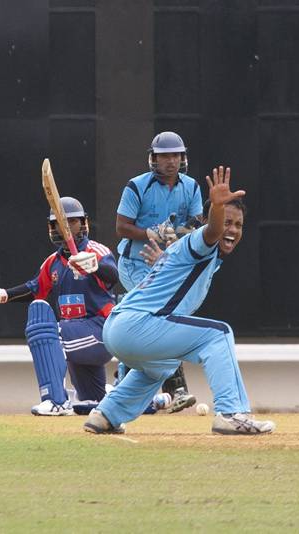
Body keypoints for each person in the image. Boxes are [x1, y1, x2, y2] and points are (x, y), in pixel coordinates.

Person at [84, 167, 274, 435]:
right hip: (136, 326)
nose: (231, 230)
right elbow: (212, 231)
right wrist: (217, 209)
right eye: (227, 222)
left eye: (238, 225)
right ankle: (231, 413)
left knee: (162, 366)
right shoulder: (201, 240)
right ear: (211, 219)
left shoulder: (193, 254)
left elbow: (174, 271)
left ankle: (106, 415)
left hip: (118, 328)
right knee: (219, 334)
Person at [0, 197, 120, 416]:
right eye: (57, 222)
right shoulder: (53, 262)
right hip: (76, 338)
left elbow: (113, 276)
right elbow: (35, 288)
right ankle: (139, 397)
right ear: (51, 227)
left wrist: (94, 267)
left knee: (48, 332)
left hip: (102, 331)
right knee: (91, 404)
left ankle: (55, 400)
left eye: (71, 222)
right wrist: (1, 295)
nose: (64, 227)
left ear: (83, 223)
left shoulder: (97, 251)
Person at [111, 131, 206, 413]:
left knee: (144, 321)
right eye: (165, 156)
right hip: (134, 263)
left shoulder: (190, 186)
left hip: (165, 264)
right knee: (158, 316)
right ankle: (177, 388)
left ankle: (122, 382)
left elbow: (197, 222)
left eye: (176, 155)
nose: (171, 161)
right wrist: (149, 232)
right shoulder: (137, 186)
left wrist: (178, 233)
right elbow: (121, 227)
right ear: (153, 158)